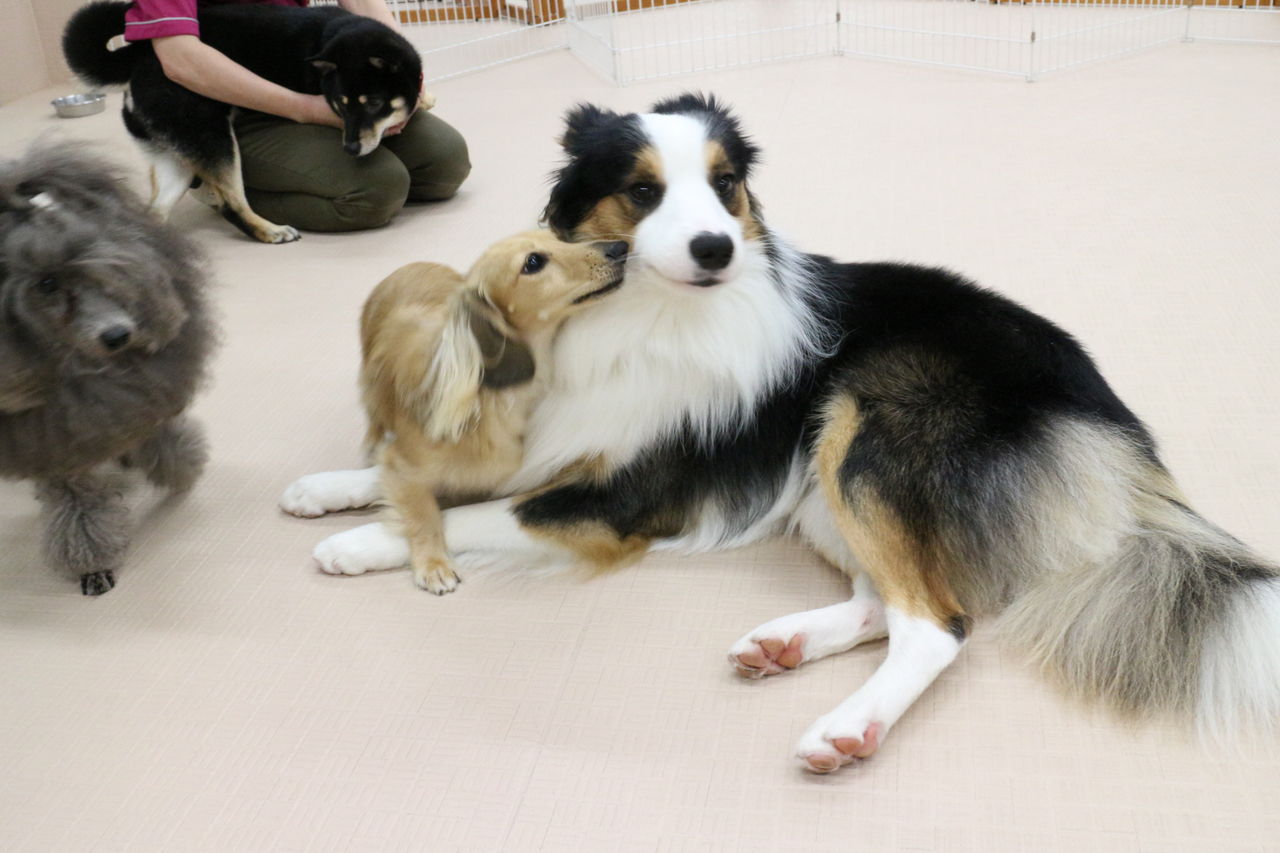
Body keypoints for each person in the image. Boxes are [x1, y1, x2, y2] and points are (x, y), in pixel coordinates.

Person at [123, 0, 471, 232]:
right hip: (221, 98)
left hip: (305, 67)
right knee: (376, 192)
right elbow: (180, 59)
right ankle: (214, 183)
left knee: (445, 163)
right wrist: (307, 110)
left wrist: (400, 67)